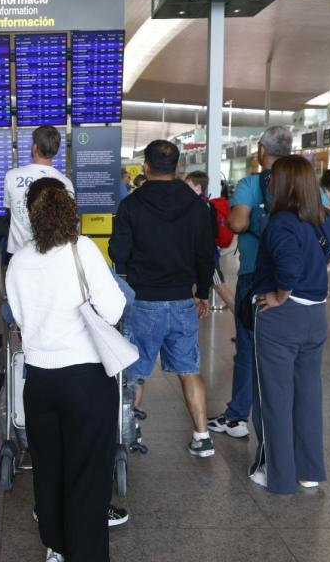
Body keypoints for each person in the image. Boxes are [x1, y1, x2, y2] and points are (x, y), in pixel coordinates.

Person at [6, 181, 126, 562]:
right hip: (86, 379)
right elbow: (114, 308)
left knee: (49, 467)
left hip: (39, 380)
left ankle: (55, 546)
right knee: (88, 473)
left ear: (30, 214)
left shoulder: (19, 260)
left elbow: (21, 319)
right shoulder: (83, 250)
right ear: (68, 211)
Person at [248, 155, 330, 494]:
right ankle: (309, 470)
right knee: (308, 394)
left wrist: (281, 295)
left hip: (283, 318)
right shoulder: (325, 217)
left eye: (272, 179)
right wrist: (323, 270)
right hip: (315, 316)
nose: (268, 183)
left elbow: (287, 268)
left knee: (275, 397)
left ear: (283, 184)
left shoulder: (281, 223)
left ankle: (278, 476)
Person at [110, 140, 215, 457]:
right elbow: (205, 255)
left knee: (136, 371)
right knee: (188, 368)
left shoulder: (131, 204)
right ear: (178, 168)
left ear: (145, 167)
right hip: (182, 299)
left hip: (143, 301)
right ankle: (202, 436)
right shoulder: (196, 205)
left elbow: (118, 253)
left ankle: (128, 433)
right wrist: (203, 293)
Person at [207, 126, 292, 440]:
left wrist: (248, 221)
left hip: (255, 275)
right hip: (292, 281)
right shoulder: (304, 184)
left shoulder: (250, 184)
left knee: (247, 346)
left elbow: (238, 223)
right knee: (285, 348)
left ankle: (237, 417)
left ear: (261, 150)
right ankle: (281, 414)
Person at [4, 125, 74, 261]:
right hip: (52, 254)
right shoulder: (65, 182)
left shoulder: (12, 176)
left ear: (34, 147)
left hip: (19, 254)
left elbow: (9, 211)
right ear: (55, 151)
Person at [184, 170, 236, 310]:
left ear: (197, 186)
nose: (184, 186)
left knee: (220, 287)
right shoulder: (200, 203)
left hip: (208, 256)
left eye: (187, 183)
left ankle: (242, 322)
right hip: (204, 255)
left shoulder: (201, 205)